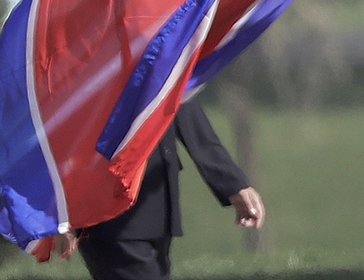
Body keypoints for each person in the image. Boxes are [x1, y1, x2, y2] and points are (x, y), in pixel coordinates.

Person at [54, 99, 264, 280]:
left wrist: (232, 183)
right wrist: (60, 210)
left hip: (157, 203)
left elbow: (180, 97)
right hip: (108, 210)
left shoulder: (156, 51)